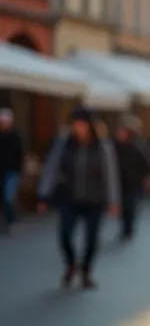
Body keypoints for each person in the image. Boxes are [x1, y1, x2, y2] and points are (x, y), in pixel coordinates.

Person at [38, 106, 120, 289]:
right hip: (70, 198)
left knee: (92, 240)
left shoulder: (102, 147)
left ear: (90, 125)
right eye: (75, 124)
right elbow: (51, 169)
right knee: (65, 235)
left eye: (82, 124)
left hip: (95, 200)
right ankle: (71, 264)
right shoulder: (64, 144)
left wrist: (114, 201)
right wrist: (43, 194)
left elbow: (110, 175)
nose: (78, 127)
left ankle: (86, 270)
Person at [113, 115, 150, 241]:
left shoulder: (136, 148)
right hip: (119, 183)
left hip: (133, 184)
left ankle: (128, 229)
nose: (120, 135)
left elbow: (145, 165)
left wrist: (146, 178)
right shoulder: (114, 147)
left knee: (130, 208)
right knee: (123, 209)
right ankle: (125, 228)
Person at [0, 107, 24, 234]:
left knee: (9, 196)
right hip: (2, 171)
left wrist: (20, 170)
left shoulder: (15, 137)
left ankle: (11, 220)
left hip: (12, 171)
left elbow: (20, 154)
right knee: (6, 197)